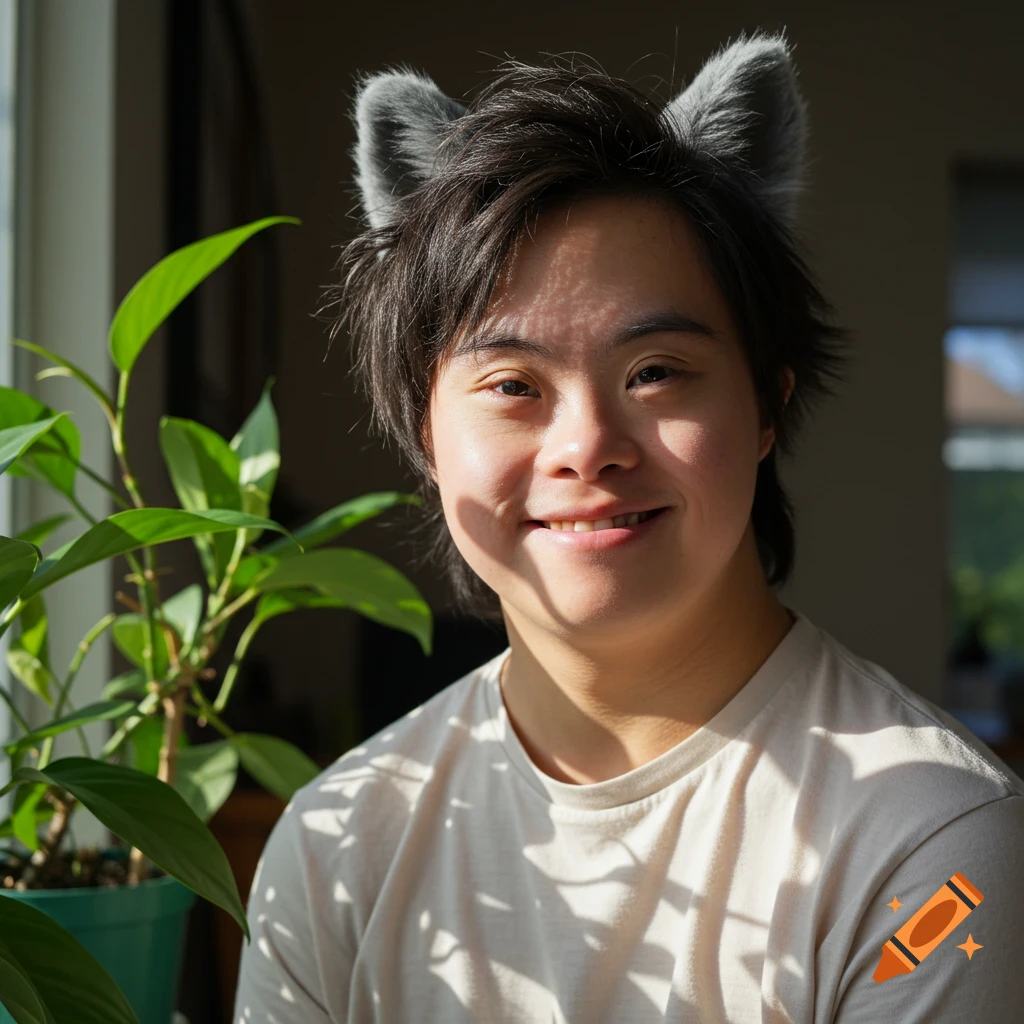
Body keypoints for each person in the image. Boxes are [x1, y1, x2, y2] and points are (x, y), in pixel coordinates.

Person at [232, 29, 1024, 1023]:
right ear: (424, 434)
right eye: (511, 384)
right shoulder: (338, 840)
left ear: (769, 404)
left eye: (654, 371)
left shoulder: (932, 843)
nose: (587, 446)